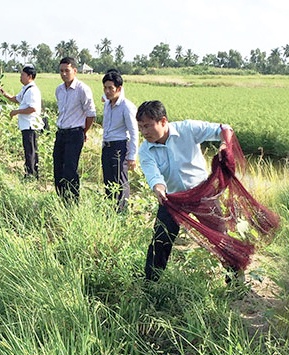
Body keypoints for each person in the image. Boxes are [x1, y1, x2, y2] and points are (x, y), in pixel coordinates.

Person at [136, 100, 241, 283]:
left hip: (202, 194)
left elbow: (225, 129)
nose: (144, 132)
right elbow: (153, 175)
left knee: (220, 236)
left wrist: (224, 145)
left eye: (147, 126)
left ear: (163, 121)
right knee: (161, 239)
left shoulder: (187, 129)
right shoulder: (145, 149)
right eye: (140, 128)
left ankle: (235, 279)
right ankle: (151, 283)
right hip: (172, 199)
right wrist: (158, 189)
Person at [53, 57, 96, 201]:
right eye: (61, 71)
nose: (64, 74)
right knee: (58, 168)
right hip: (61, 133)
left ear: (75, 71)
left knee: (70, 170)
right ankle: (61, 200)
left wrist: (83, 132)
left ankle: (72, 201)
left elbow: (91, 114)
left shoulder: (82, 89)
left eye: (67, 70)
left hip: (75, 133)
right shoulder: (59, 90)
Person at [101, 69, 138, 211]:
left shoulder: (126, 106)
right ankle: (111, 210)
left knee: (120, 181)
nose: (107, 91)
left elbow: (134, 132)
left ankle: (122, 212)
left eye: (111, 88)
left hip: (120, 146)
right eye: (105, 88)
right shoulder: (107, 105)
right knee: (108, 180)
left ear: (119, 88)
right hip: (107, 146)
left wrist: (132, 156)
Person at [0, 64, 43, 179]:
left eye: (22, 75)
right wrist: (4, 93)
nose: (20, 77)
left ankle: (31, 175)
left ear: (30, 76)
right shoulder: (26, 89)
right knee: (29, 150)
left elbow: (32, 108)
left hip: (31, 125)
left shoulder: (33, 91)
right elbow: (16, 99)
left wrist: (16, 112)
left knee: (30, 151)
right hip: (26, 125)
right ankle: (31, 173)